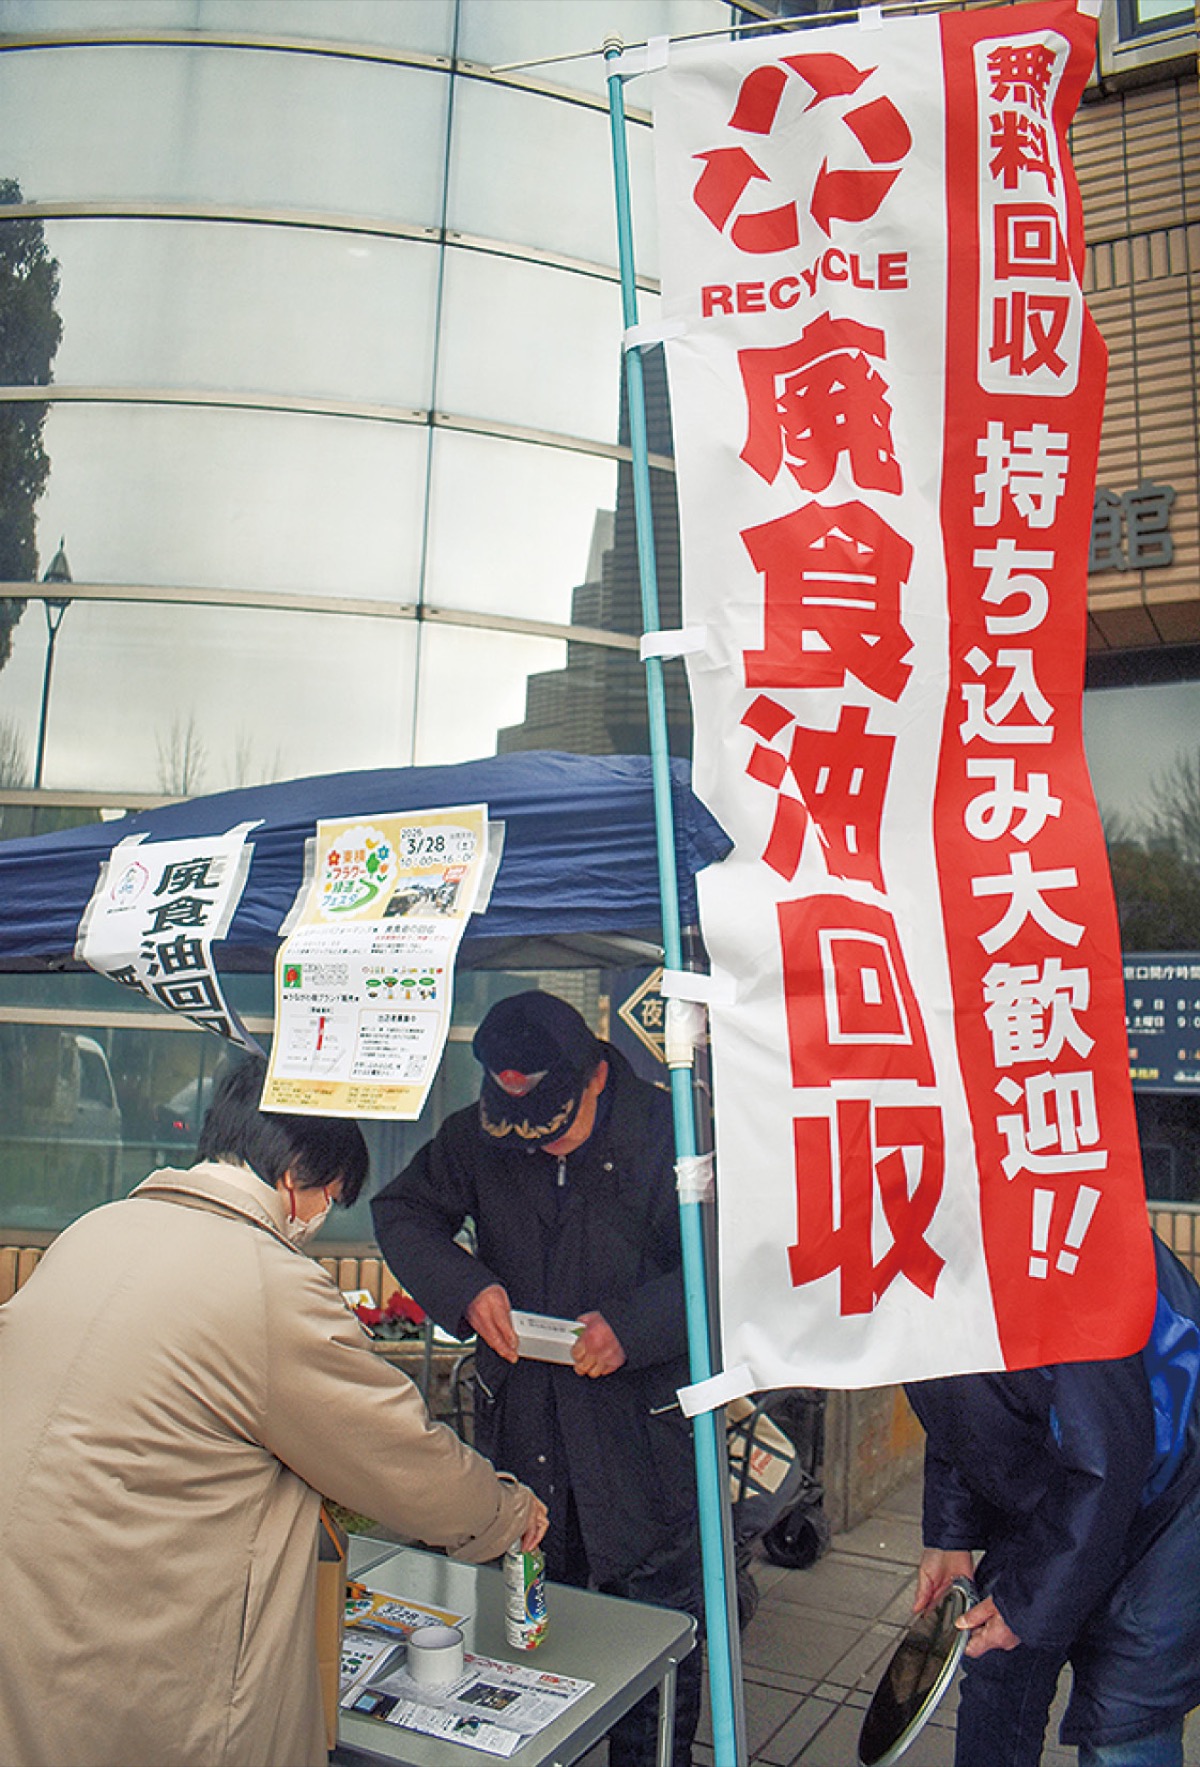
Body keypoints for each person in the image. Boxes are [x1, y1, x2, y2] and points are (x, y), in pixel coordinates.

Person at [0, 1056, 545, 1767]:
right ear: (295, 1179)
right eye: (330, 1196)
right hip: (149, 1653)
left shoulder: (92, 1231)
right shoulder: (268, 1281)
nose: (320, 1218)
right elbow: (396, 1454)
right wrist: (505, 1514)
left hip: (34, 1615)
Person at [372, 990, 702, 1767]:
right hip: (526, 1428)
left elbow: (731, 1260)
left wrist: (638, 1325)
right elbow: (403, 1212)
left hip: (641, 1439)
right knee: (525, 1636)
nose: (544, 1150)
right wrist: (465, 1285)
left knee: (654, 1645)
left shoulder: (674, 1132)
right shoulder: (476, 1137)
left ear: (593, 1077)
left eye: (560, 1132)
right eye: (527, 1139)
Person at [906, 1233, 1200, 1767]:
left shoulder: (1058, 1230)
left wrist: (1030, 1603)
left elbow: (1108, 1458)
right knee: (996, 1680)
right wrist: (949, 1536)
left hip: (1172, 1510)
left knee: (1124, 1724)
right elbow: (959, 1395)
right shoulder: (932, 1230)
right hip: (1057, 1491)